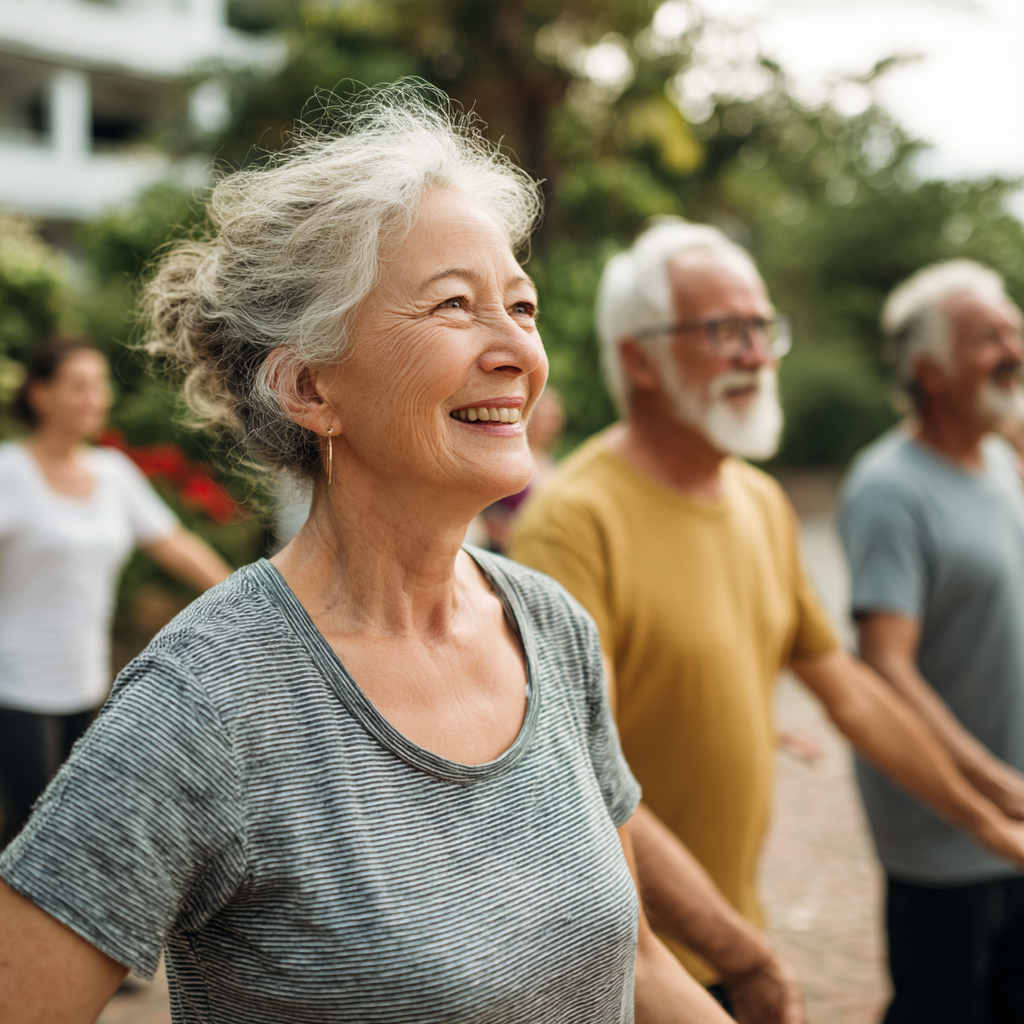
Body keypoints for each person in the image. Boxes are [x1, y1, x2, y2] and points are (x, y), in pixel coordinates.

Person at [0, 85, 734, 1024]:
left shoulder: (550, 629)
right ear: (311, 386)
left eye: (523, 304)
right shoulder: (212, 699)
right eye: (456, 306)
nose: (518, 348)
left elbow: (635, 961)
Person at [509, 219, 1024, 1018]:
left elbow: (849, 691)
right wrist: (740, 955)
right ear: (639, 359)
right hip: (628, 962)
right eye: (723, 331)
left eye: (761, 328)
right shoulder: (573, 524)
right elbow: (580, 785)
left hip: (727, 927)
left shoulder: (758, 500)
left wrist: (991, 818)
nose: (755, 353)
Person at [840, 260, 1024, 1023]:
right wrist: (995, 784)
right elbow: (885, 667)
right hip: (948, 833)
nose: (1015, 347)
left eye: (1013, 328)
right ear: (929, 371)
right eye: (990, 336)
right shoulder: (890, 488)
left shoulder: (1000, 462)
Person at [0, 338, 231, 848]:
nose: (95, 398)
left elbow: (178, 548)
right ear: (40, 395)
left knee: (75, 835)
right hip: (15, 687)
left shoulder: (113, 476)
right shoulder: (10, 474)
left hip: (86, 685)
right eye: (78, 385)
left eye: (100, 385)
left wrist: (250, 596)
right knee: (36, 841)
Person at [480, 385, 565, 552]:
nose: (551, 425)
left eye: (554, 418)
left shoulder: (553, 463)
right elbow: (491, 518)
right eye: (545, 418)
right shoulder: (507, 461)